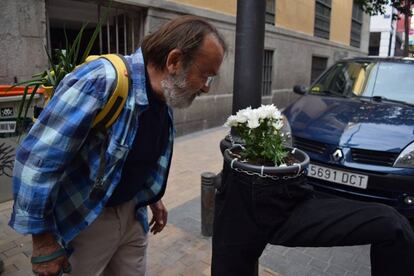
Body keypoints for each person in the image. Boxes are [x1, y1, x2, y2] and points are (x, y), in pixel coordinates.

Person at [9, 15, 226, 276]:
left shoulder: (165, 93)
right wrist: (42, 241)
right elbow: (36, 160)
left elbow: (134, 154)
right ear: (174, 61)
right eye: (205, 75)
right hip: (86, 219)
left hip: (133, 214)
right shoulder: (101, 81)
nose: (205, 87)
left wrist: (150, 196)